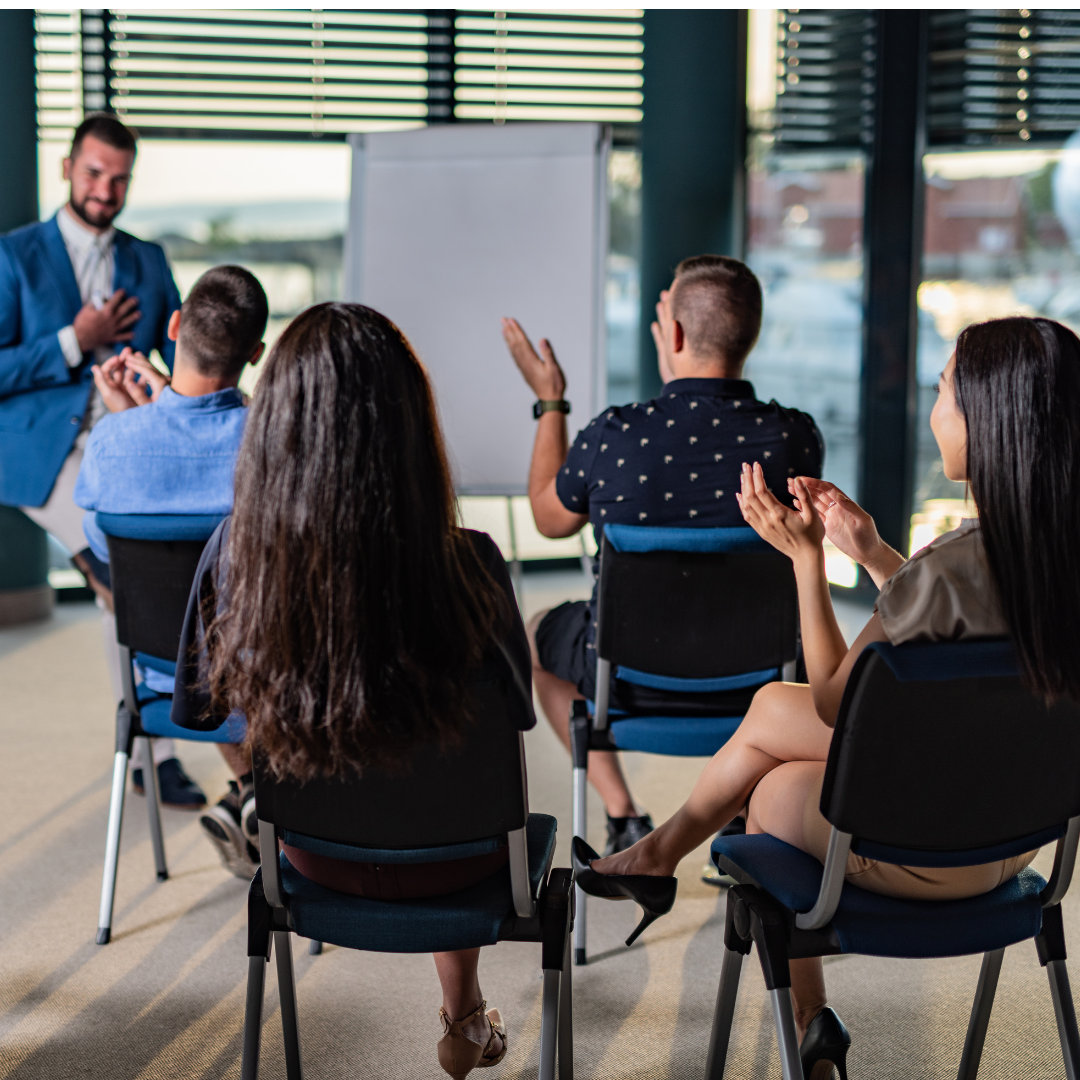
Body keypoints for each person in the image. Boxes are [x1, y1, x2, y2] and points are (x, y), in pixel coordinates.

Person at [573, 314, 1080, 1078]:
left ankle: (803, 1017)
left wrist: (807, 561)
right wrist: (876, 556)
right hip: (1016, 843)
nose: (934, 404)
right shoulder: (1045, 552)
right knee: (773, 708)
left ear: (987, 416)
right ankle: (657, 858)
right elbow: (959, 619)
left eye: (943, 389)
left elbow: (839, 703)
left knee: (771, 784)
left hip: (924, 851)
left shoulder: (952, 562)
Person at [172, 302, 534, 1079]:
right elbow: (516, 718)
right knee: (441, 761)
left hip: (310, 860)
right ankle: (464, 1011)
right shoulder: (473, 562)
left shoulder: (238, 558)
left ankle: (465, 1013)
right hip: (462, 866)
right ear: (411, 427)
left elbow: (198, 711)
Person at [503, 254, 823, 856]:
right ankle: (738, 802)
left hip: (622, 683)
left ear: (672, 332)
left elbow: (549, 519)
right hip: (758, 692)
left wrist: (551, 403)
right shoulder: (793, 438)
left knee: (531, 638)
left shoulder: (614, 437)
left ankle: (623, 814)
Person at [73, 265, 268, 831]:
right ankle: (260, 795)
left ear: (176, 325)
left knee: (199, 633)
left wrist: (137, 421)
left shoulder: (114, 442)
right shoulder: (272, 442)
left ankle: (252, 791)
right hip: (268, 670)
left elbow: (108, 551)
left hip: (168, 678)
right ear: (255, 353)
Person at [0, 113, 181, 596]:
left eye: (120, 179)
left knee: (155, 567)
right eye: (94, 174)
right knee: (119, 570)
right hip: (43, 445)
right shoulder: (13, 255)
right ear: (66, 167)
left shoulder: (149, 259)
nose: (106, 190)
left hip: (127, 434)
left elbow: (183, 351)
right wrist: (74, 340)